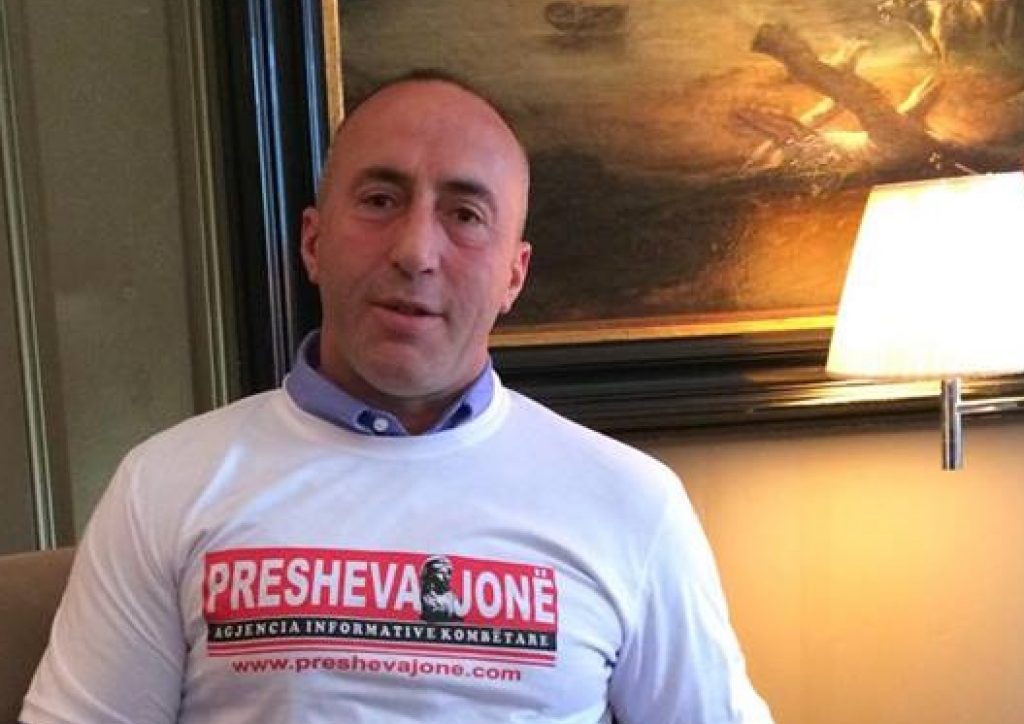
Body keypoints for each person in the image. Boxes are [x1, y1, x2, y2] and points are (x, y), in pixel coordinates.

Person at [20, 71, 773, 723]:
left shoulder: (632, 504)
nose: (416, 251)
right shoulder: (165, 484)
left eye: (465, 215)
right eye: (380, 200)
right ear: (314, 242)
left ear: (513, 275)